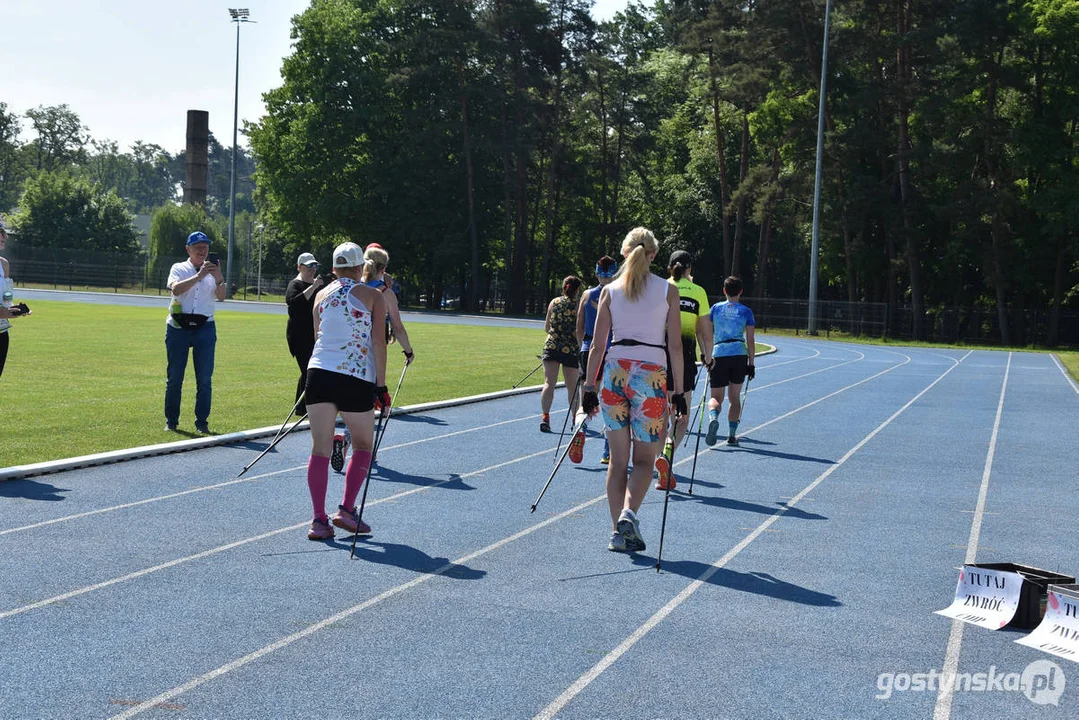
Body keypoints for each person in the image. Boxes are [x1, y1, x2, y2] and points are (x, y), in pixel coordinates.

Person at [582, 228, 685, 553]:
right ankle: (629, 514)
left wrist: (588, 386)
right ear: (654, 255)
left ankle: (617, 533)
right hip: (650, 373)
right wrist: (679, 392)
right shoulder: (668, 289)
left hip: (614, 374)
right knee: (644, 459)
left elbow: (598, 345)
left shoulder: (609, 291)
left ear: (625, 253)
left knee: (617, 462)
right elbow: (676, 347)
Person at [304, 241, 389, 541]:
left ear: (333, 268)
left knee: (320, 448)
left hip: (318, 375)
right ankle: (347, 510)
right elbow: (378, 343)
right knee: (364, 446)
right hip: (355, 376)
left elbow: (318, 337)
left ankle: (318, 520)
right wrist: (382, 385)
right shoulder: (373, 296)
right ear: (360, 268)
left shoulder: (319, 295)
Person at [327, 243, 416, 472]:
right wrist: (408, 350)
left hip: (348, 352)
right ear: (384, 268)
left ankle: (354, 442)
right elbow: (397, 326)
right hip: (372, 352)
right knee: (374, 400)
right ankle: (355, 443)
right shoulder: (384, 294)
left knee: (353, 400)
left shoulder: (356, 287)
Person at [654, 250, 712, 490]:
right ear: (689, 269)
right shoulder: (698, 292)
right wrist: (708, 357)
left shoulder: (658, 287)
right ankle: (668, 453)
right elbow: (704, 331)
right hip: (684, 358)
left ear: (669, 268)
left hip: (657, 356)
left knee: (659, 415)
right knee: (682, 415)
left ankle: (659, 462)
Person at [164, 231, 225, 433]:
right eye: (197, 247)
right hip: (178, 327)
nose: (202, 250)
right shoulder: (179, 268)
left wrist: (218, 278)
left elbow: (222, 297)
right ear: (188, 249)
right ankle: (171, 421)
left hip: (205, 327)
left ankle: (202, 423)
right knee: (174, 377)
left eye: (205, 247)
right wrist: (199, 276)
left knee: (205, 379)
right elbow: (176, 289)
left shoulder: (214, 271)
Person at [568, 256, 618, 464]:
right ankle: (607, 452)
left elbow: (579, 327)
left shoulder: (587, 295)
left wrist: (583, 346)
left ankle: (581, 427)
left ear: (597, 273)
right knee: (611, 403)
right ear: (615, 273)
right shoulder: (619, 295)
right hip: (611, 350)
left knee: (586, 398)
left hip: (588, 349)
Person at [701, 275, 756, 447]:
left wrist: (706, 356)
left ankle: (713, 417)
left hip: (719, 353)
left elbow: (707, 335)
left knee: (716, 397)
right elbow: (751, 340)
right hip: (739, 354)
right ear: (741, 291)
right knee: (734, 397)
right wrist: (751, 364)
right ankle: (732, 435)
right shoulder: (746, 311)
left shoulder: (715, 309)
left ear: (724, 291)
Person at [539, 275, 583, 433]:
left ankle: (545, 417)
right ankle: (575, 419)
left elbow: (546, 327)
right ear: (577, 289)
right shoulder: (579, 305)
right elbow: (580, 330)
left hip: (551, 346)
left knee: (548, 383)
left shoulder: (554, 302)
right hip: (571, 349)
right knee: (572, 387)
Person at [285, 252, 325, 415]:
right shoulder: (295, 285)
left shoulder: (318, 285)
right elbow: (295, 304)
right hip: (298, 335)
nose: (312, 269)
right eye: (308, 266)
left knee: (310, 370)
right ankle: (303, 407)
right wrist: (314, 287)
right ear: (299, 267)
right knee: (307, 370)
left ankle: (301, 407)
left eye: (314, 266)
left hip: (314, 334)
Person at [0, 218, 32, 378]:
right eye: (1, 233)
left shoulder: (4, 264)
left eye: (4, 232)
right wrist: (5, 312)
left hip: (1, 331)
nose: (5, 237)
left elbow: (6, 296)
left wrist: (15, 308)